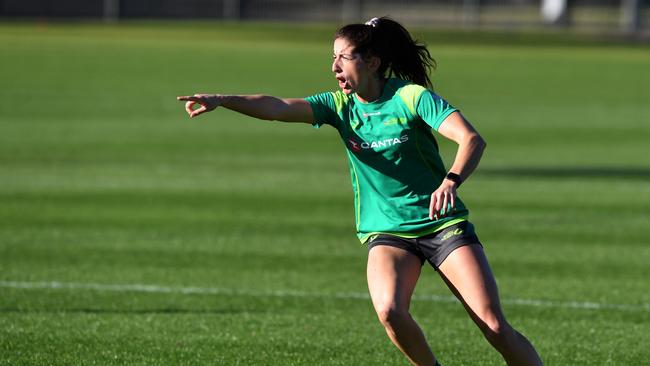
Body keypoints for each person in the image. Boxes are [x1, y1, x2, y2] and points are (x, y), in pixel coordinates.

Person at [177, 16, 543, 366]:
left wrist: (451, 181)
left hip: (441, 226)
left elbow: (470, 139)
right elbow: (276, 107)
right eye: (332, 57)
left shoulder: (411, 97)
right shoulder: (339, 106)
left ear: (372, 62)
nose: (335, 66)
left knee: (494, 327)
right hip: (386, 231)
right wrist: (225, 99)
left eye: (343, 57)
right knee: (390, 312)